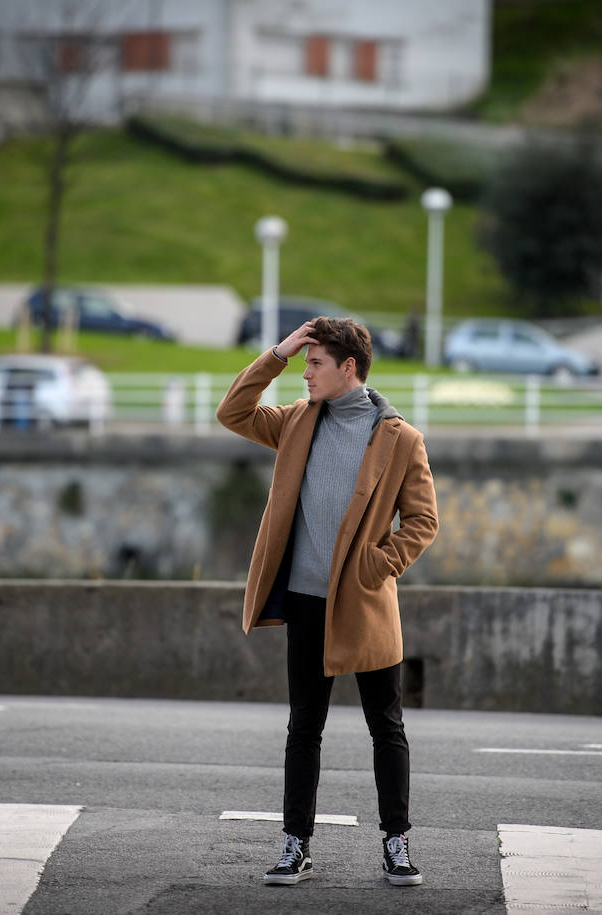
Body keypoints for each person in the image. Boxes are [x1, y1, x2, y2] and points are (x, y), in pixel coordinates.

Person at [216, 316, 439, 888]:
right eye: (305, 363)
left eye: (315, 363)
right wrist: (279, 353)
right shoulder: (297, 421)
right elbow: (233, 412)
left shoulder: (400, 439)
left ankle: (396, 844)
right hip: (305, 601)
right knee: (304, 728)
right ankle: (296, 845)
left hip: (364, 603)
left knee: (386, 726)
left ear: (349, 368)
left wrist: (376, 565)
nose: (306, 373)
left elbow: (422, 521)